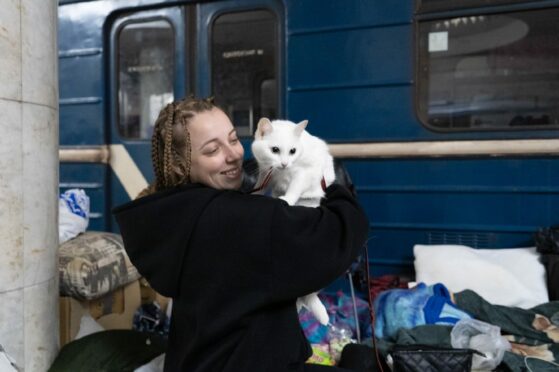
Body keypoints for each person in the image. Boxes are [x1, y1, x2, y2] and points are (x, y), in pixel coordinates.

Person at [113, 97, 369, 372]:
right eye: (213, 150)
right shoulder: (238, 219)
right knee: (361, 358)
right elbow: (340, 233)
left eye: (233, 139)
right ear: (179, 166)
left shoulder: (174, 215)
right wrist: (330, 182)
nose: (234, 154)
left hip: (197, 362)